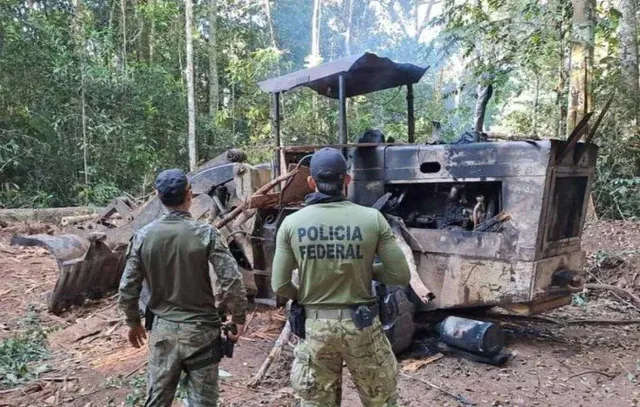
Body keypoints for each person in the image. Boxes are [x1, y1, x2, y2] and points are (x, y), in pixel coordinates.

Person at [271, 148, 411, 407]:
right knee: (381, 400)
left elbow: (279, 285)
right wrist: (363, 269)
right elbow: (400, 274)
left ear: (311, 182)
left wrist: (306, 292)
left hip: (315, 328)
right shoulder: (372, 219)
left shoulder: (291, 224)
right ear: (346, 180)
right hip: (362, 326)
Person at [118, 168, 248, 407]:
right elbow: (232, 280)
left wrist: (133, 322)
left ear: (157, 195)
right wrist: (238, 317)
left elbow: (128, 288)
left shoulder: (143, 237)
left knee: (157, 400)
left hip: (163, 334)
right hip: (202, 333)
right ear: (190, 195)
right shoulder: (206, 234)